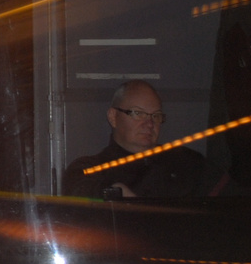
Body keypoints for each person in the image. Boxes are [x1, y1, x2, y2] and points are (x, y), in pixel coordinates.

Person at [63, 80, 202, 198]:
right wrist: (116, 192)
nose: (149, 124)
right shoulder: (89, 169)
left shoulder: (186, 163)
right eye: (138, 113)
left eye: (156, 116)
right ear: (113, 117)